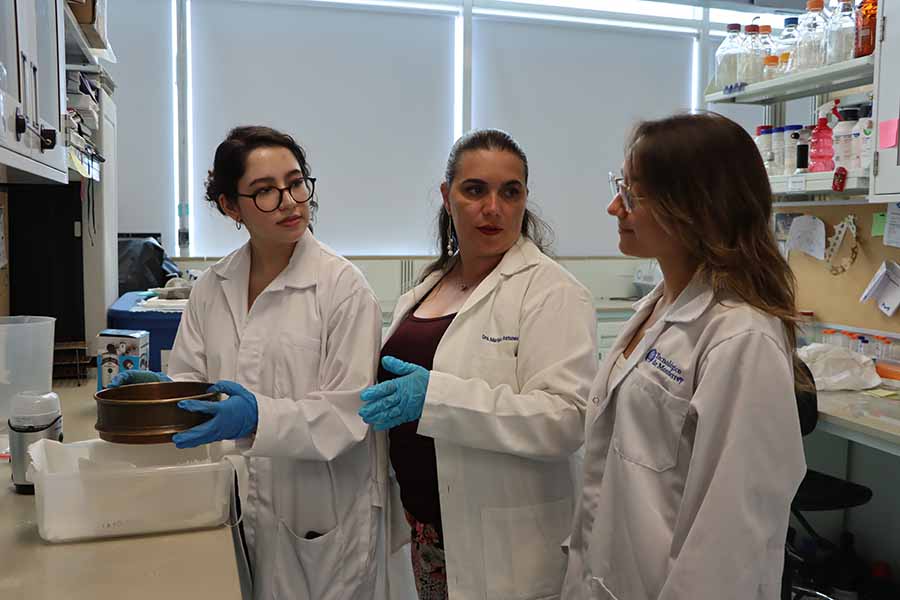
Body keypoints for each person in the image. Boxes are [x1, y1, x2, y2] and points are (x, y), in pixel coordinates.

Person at [108, 126, 383, 600]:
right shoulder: (214, 286)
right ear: (230, 206)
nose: (290, 202)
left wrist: (260, 417)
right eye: (265, 192)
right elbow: (194, 384)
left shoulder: (343, 288)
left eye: (296, 183)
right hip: (232, 500)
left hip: (318, 507)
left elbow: (346, 415)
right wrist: (167, 394)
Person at [562, 112, 808, 600]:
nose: (615, 207)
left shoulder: (740, 338)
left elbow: (729, 539)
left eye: (632, 195)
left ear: (694, 207)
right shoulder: (658, 309)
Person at [358, 129, 599, 599]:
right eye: (475, 190)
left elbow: (567, 419)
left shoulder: (551, 292)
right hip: (424, 534)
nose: (494, 208)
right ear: (447, 197)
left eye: (511, 192)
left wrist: (438, 398)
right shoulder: (422, 290)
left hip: (504, 546)